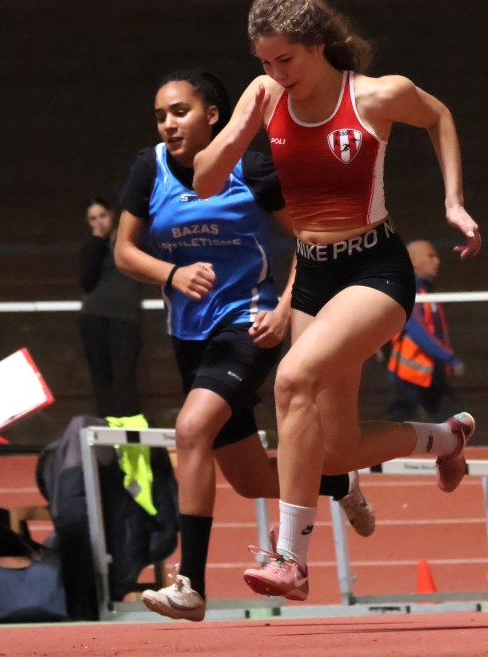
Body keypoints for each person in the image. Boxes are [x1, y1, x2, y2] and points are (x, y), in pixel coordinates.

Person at [191, 0, 482, 601]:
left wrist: (453, 202)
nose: (275, 74)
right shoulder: (265, 95)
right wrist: (237, 131)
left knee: (292, 379)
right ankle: (446, 439)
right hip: (315, 274)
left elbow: (441, 117)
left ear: (318, 45)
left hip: (375, 270)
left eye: (285, 61)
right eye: (264, 62)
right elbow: (207, 177)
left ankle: (289, 558)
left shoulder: (376, 95)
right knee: (335, 452)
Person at [114, 70, 376, 621]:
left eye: (180, 111)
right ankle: (338, 481)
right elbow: (123, 251)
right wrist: (171, 274)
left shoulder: (251, 168)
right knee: (251, 479)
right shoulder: (149, 168)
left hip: (248, 327)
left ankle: (190, 585)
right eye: (161, 115)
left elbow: (312, 235)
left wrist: (285, 308)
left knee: (190, 429)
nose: (168, 124)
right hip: (190, 336)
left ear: (214, 115)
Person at [386, 239, 465, 423]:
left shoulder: (425, 290)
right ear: (415, 262)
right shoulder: (409, 290)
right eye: (431, 256)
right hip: (409, 374)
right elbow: (417, 331)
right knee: (400, 419)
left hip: (427, 373)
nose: (437, 261)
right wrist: (449, 357)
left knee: (451, 419)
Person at [79, 197, 143, 417]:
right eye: (93, 219)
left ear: (112, 215)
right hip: (94, 316)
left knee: (125, 378)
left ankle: (132, 441)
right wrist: (98, 242)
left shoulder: (128, 241)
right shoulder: (91, 246)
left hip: (125, 317)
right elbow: (87, 282)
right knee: (101, 379)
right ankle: (109, 438)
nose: (99, 222)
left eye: (102, 216)